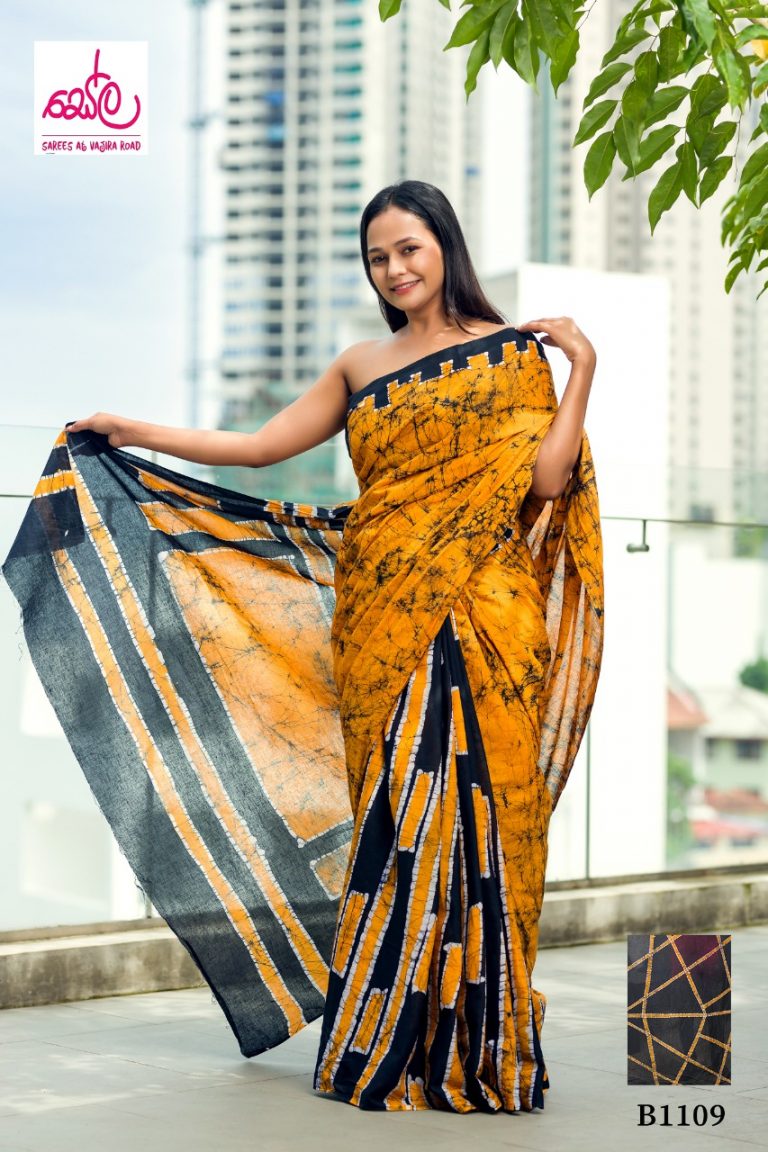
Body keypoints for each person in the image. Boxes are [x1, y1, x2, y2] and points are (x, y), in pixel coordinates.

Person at [16, 181, 604, 1113]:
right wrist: (133, 430)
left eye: (408, 248)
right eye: (377, 257)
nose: (395, 269)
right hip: (378, 617)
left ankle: (479, 1043)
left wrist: (582, 369)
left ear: (443, 245)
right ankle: (389, 1039)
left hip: (491, 614)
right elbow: (256, 446)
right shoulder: (361, 363)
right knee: (401, 823)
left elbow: (546, 479)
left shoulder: (511, 360)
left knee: (493, 823)